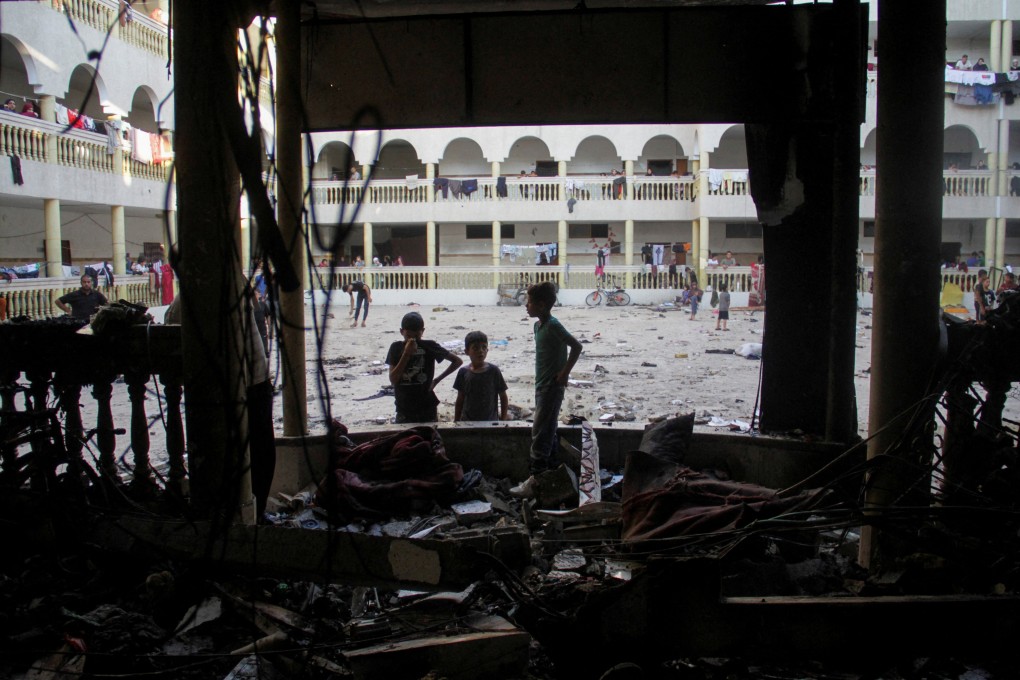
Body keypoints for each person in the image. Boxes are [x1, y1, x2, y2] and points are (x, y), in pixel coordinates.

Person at [510, 282, 582, 498]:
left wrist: (565, 373)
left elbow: (576, 346)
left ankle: (535, 482)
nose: (526, 306)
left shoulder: (553, 325)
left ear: (541, 305)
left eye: (529, 302)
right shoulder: (538, 326)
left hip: (551, 387)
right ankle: (551, 481)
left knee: (540, 434)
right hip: (541, 385)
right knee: (546, 432)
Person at [385, 311, 463, 423]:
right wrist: (406, 354)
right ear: (401, 332)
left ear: (423, 331)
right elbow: (393, 379)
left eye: (416, 336)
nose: (413, 339)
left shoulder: (429, 346)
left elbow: (457, 361)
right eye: (408, 336)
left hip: (427, 406)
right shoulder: (396, 348)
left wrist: (436, 380)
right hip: (404, 407)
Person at [453, 331, 509, 422]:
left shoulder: (494, 371)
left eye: (484, 347)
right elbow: (460, 399)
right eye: (475, 348)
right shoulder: (463, 372)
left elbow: (503, 396)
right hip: (468, 422)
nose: (481, 351)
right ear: (467, 351)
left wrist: (503, 420)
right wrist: (456, 421)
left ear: (487, 350)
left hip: (490, 423)